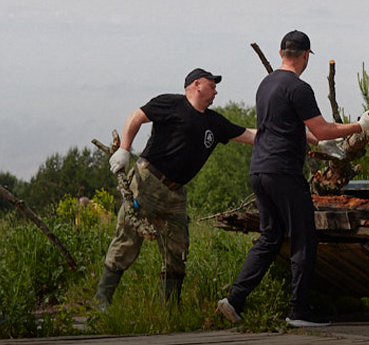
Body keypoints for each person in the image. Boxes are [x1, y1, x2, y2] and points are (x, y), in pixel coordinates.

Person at [218, 30, 369, 327]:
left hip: (260, 170)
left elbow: (285, 128)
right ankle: (299, 312)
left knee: (271, 236)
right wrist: (360, 125)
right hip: (283, 172)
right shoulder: (299, 87)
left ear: (281, 53)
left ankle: (234, 299)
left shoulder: (265, 85)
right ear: (305, 56)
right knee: (304, 239)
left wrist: (318, 144)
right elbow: (322, 129)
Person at [95, 68, 256, 307]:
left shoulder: (214, 122)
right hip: (147, 182)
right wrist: (124, 150)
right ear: (197, 84)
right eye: (212, 86)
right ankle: (102, 301)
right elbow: (135, 117)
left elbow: (252, 135)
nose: (216, 91)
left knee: (178, 249)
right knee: (127, 240)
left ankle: (169, 309)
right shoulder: (171, 104)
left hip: (176, 193)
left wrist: (299, 135)